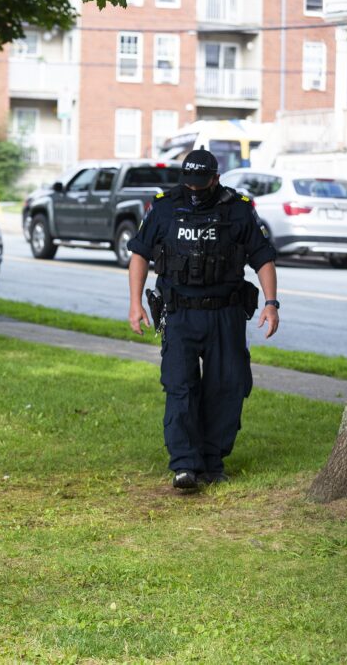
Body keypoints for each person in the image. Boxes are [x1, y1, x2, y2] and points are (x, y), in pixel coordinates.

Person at [127, 149, 280, 490]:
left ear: (215, 178)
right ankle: (185, 465)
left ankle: (212, 461)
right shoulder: (165, 207)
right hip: (180, 313)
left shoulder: (238, 209)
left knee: (227, 387)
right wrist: (134, 303)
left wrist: (271, 303)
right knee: (180, 387)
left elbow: (263, 258)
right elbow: (139, 254)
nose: (195, 190)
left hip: (225, 314)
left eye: (202, 183)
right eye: (190, 183)